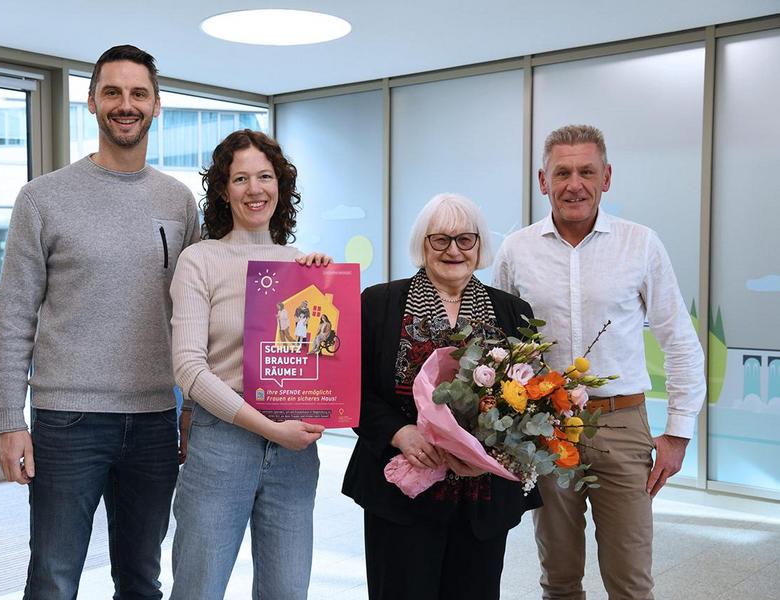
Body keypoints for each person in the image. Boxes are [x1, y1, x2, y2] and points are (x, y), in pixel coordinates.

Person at [0, 45, 200, 599]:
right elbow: (14, 316)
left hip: (157, 418)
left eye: (138, 94)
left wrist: (192, 408)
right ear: (91, 102)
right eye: (112, 92)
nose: (124, 104)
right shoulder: (42, 199)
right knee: (54, 579)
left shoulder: (180, 203)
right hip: (67, 421)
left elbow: (199, 316)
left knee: (141, 578)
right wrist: (9, 420)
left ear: (157, 106)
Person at [492, 124, 706, 600]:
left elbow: (679, 339)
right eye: (562, 172)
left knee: (630, 579)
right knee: (559, 576)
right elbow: (499, 346)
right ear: (542, 180)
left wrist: (678, 431)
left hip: (622, 425)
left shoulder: (641, 244)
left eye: (587, 171)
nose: (575, 184)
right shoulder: (516, 250)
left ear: (606, 177)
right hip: (544, 430)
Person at [342, 193, 542, 600]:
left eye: (465, 240)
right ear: (423, 244)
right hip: (400, 492)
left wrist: (490, 454)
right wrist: (401, 433)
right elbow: (350, 390)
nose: (454, 250)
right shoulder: (379, 304)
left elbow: (531, 398)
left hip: (481, 497)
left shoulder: (513, 312)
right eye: (441, 240)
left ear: (479, 245)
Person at [169, 129, 330, 600]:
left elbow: (320, 356)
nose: (255, 189)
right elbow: (189, 370)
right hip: (222, 442)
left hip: (295, 449)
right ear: (223, 189)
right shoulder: (199, 260)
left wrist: (325, 287)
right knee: (199, 588)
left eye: (265, 176)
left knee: (287, 591)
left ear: (281, 186)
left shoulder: (301, 263)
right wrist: (268, 428)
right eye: (241, 178)